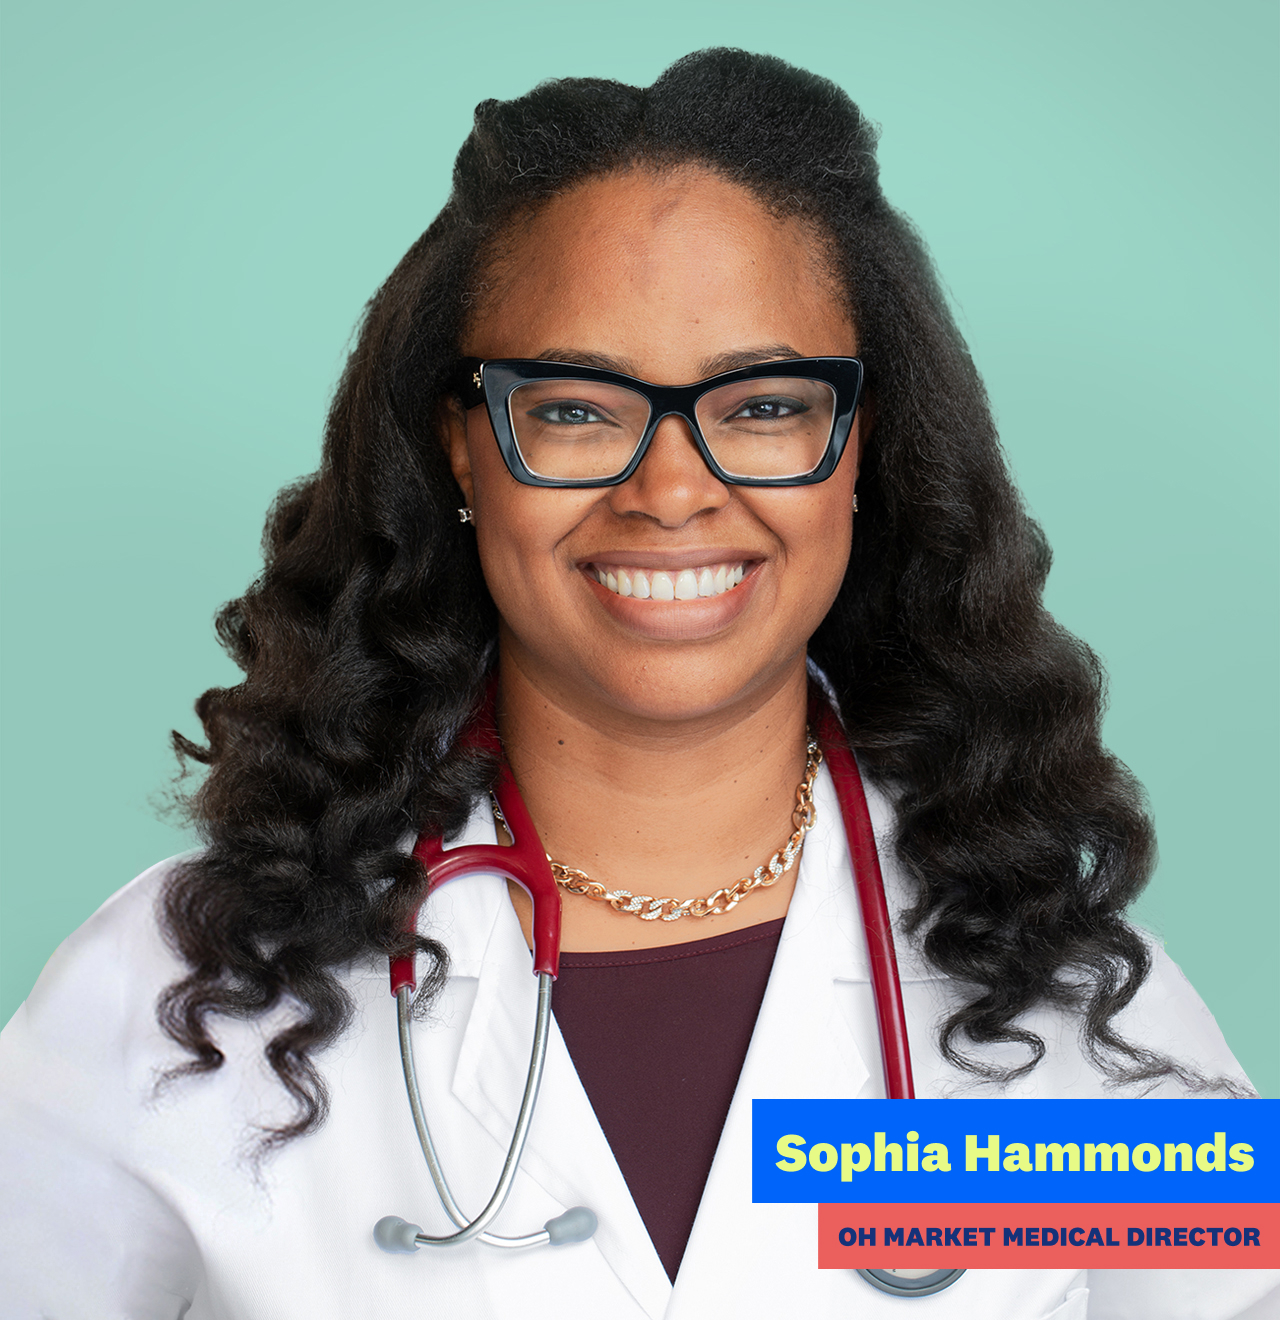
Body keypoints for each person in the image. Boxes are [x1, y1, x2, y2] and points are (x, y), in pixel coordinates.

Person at [0, 49, 1274, 1321]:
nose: (670, 492)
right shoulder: (174, 995)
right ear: (461, 443)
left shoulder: (1083, 1007)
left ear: (859, 450)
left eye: (765, 405)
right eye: (573, 409)